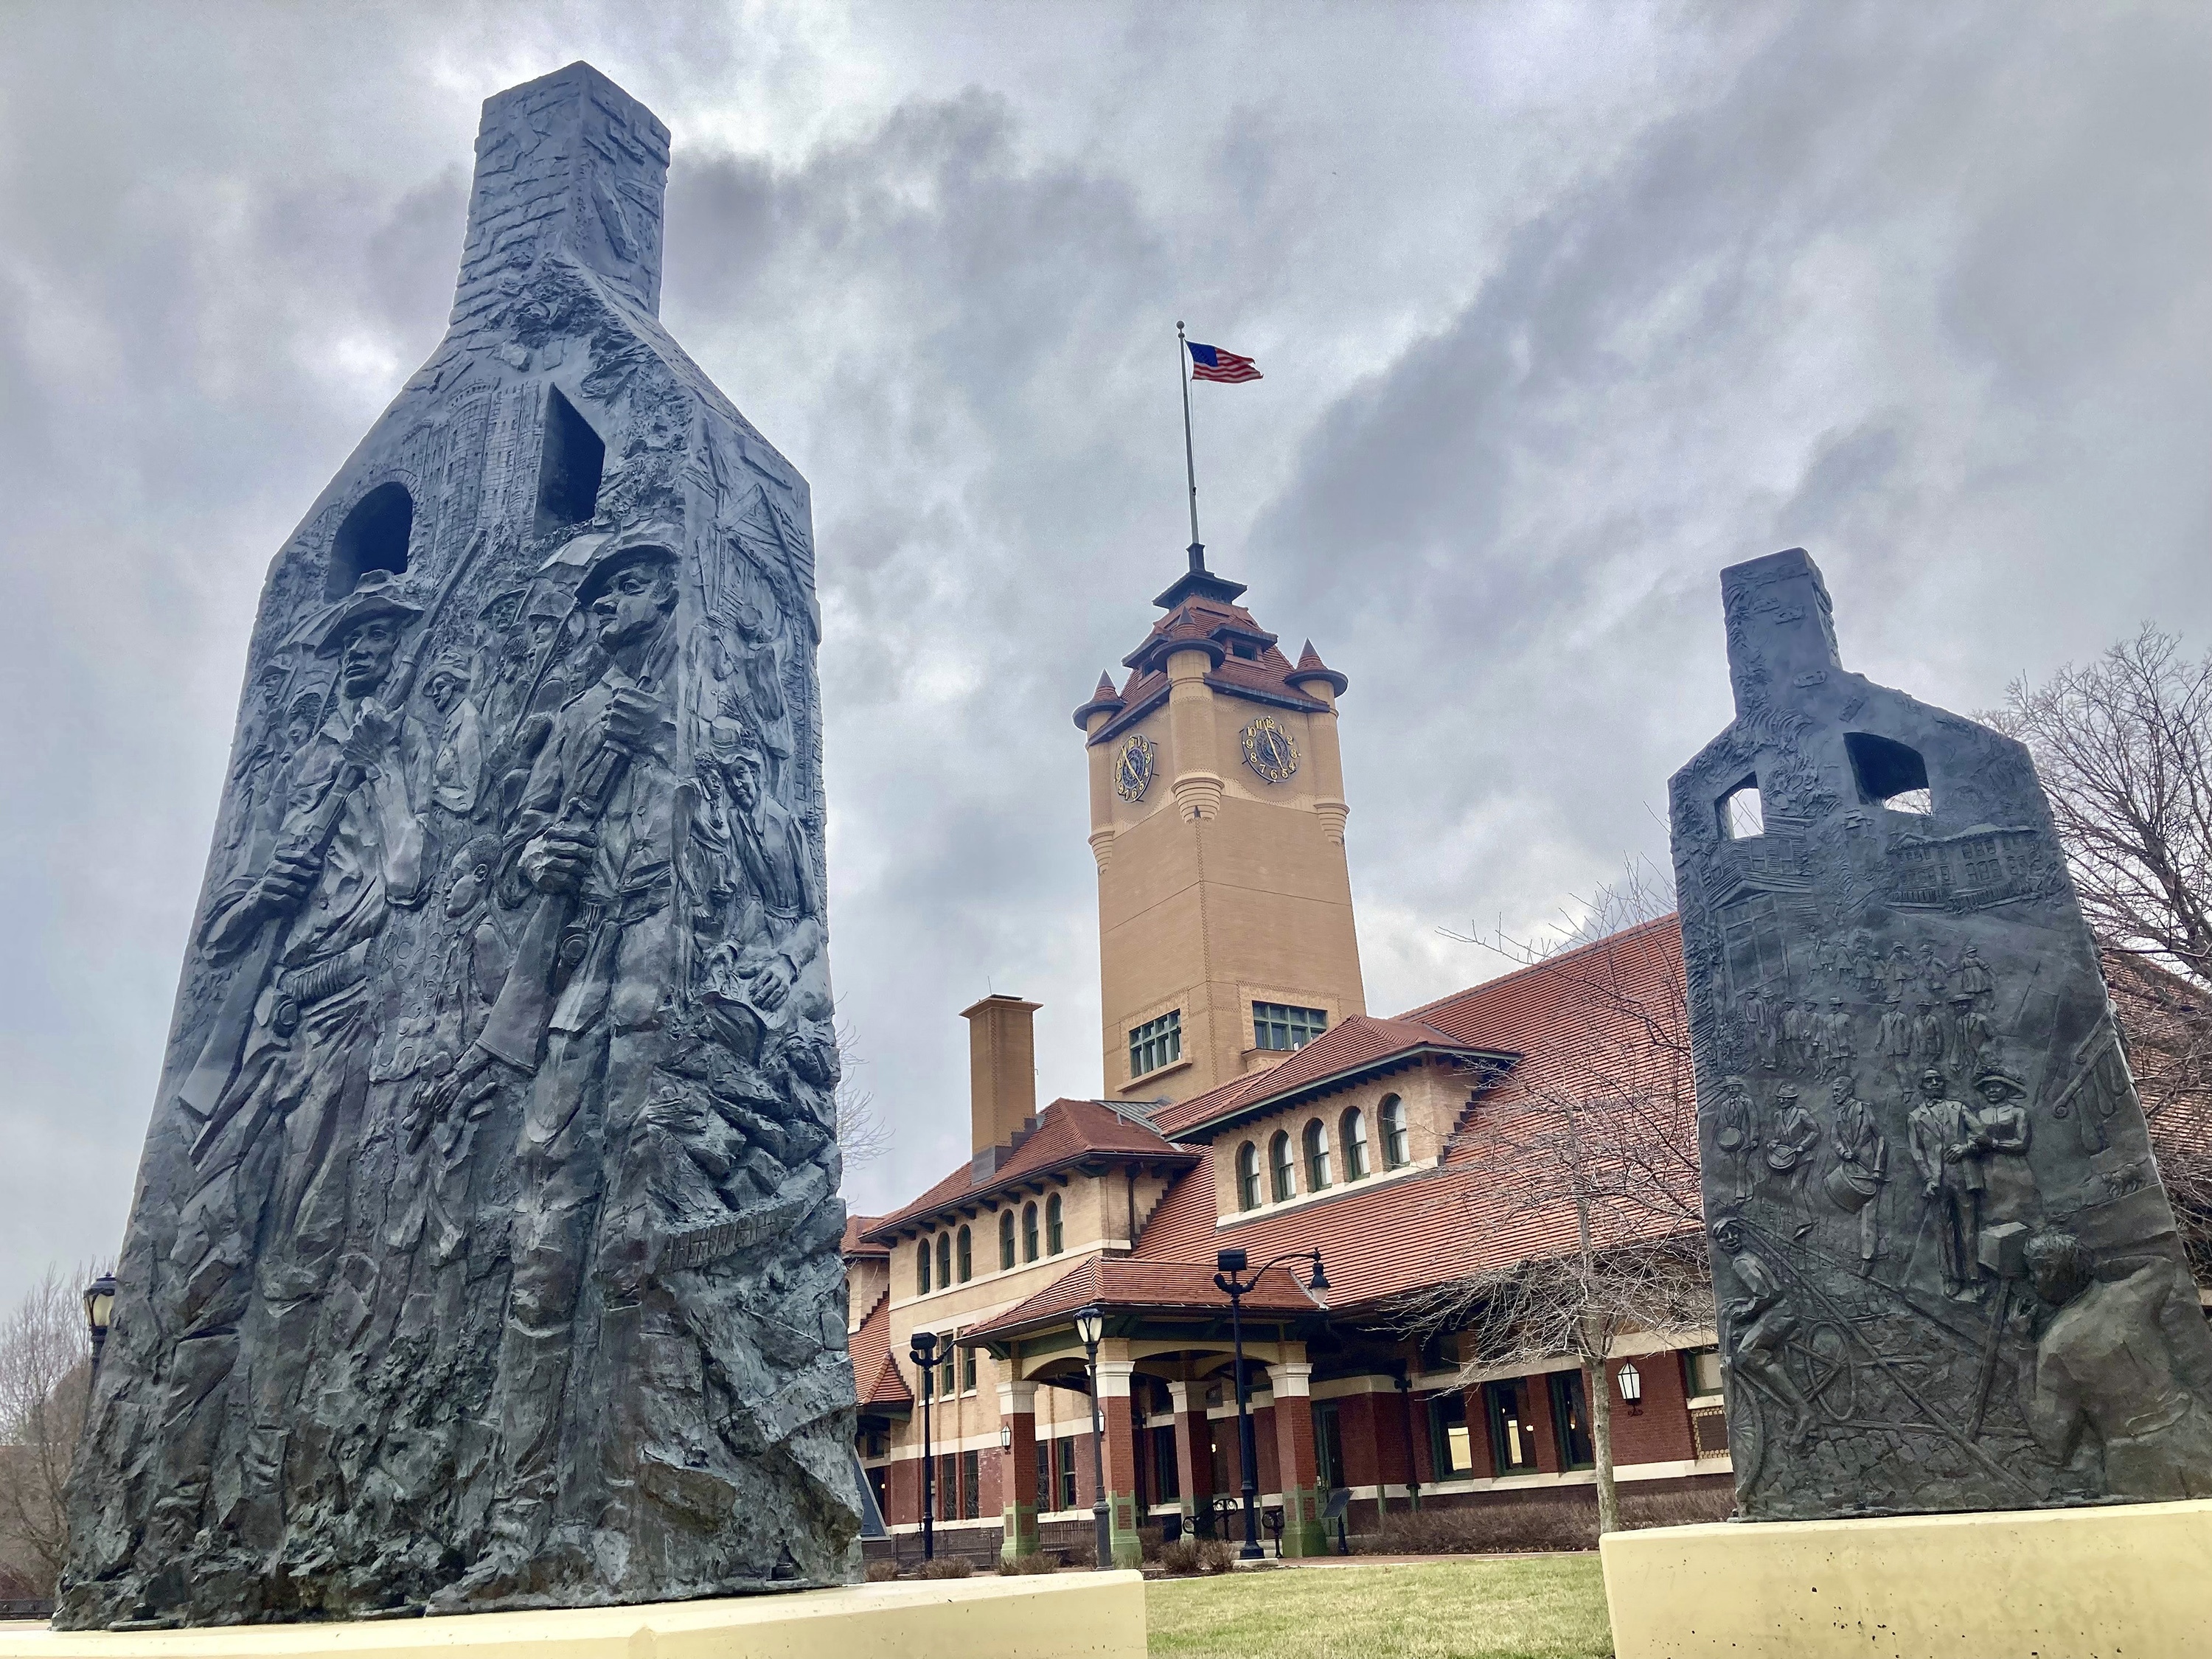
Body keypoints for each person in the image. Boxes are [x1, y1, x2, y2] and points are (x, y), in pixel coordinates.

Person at [426, 537, 688, 1599]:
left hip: (666, 972)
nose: (618, 602)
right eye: (605, 589)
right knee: (544, 1239)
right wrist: (541, 856)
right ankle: (521, 1521)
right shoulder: (578, 712)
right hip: (581, 974)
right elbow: (512, 847)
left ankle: (619, 1513)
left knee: (638, 1231)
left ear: (674, 586)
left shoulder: (716, 688)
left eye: (635, 581)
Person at [158, 570, 428, 1548]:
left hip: (343, 1017)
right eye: (358, 639)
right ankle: (179, 1500)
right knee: (210, 1249)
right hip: (267, 1017)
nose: (369, 651)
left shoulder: (402, 757)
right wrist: (271, 883)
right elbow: (224, 924)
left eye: (386, 640)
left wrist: (381, 768)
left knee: (303, 1259)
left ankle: (268, 1489)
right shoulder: (305, 759)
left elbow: (409, 877)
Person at [2018, 1231, 2212, 1499]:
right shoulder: (2133, 1293)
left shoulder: (2057, 1344)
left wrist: (2025, 1350)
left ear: (2050, 1271)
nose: (2031, 1281)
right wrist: (2097, 1267)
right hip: (2195, 1431)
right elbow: (2163, 1265)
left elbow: (2053, 1441)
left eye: (2034, 1271)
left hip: (2138, 1460)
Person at [1713, 1217, 1817, 1447]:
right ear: (1719, 1243)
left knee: (1747, 1353)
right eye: (1723, 1236)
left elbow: (1766, 1295)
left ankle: (1804, 1412)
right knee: (1744, 1339)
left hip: (1780, 1312)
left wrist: (1742, 1311)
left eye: (1732, 1233)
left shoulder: (1741, 1262)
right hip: (1776, 1311)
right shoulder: (1746, 1258)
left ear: (1739, 1235)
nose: (1729, 1239)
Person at [1908, 1067, 1985, 1298]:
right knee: (1944, 1232)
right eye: (1929, 1081)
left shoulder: (1959, 1108)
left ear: (1944, 1084)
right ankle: (1951, 1278)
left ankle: (1975, 1277)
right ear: (1922, 1087)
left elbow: (1982, 1134)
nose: (1934, 1084)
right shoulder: (1914, 1117)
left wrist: (1965, 1147)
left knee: (1970, 1229)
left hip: (1963, 1175)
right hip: (1937, 1180)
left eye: (1938, 1080)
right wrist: (1929, 1179)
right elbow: (1917, 1152)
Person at [1827, 1076, 1885, 1265]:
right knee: (1848, 1207)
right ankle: (1860, 1250)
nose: (1834, 1094)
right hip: (1850, 1168)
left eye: (1838, 1090)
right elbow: (1834, 1139)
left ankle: (1868, 1258)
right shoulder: (1839, 1114)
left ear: (1849, 1091)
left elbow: (1882, 1138)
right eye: (1833, 1091)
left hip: (1869, 1169)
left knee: (1870, 1214)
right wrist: (1844, 1153)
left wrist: (1878, 1168)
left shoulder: (1864, 1109)